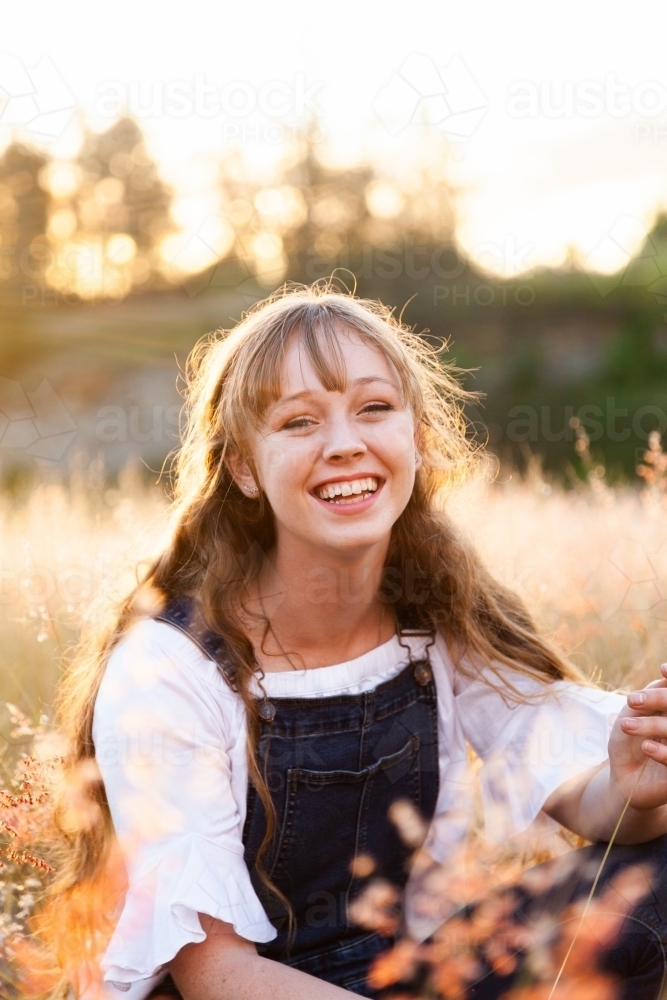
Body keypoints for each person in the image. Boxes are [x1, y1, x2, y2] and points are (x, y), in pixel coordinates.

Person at [54, 285, 667, 1000]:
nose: (345, 443)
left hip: (408, 975)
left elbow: (582, 794)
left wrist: (631, 787)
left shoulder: (438, 609)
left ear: (415, 436)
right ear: (245, 468)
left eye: (373, 409)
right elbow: (213, 971)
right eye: (298, 421)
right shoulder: (169, 667)